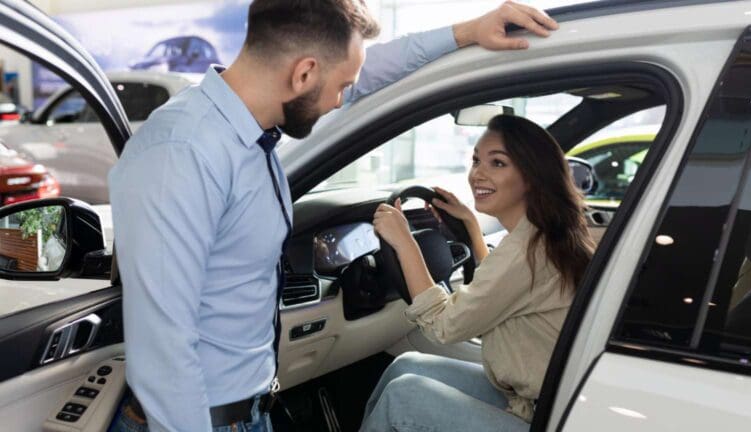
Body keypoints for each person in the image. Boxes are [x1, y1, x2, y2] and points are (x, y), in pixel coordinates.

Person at [109, 1, 559, 431]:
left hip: (246, 410)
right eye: (343, 87)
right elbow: (163, 350)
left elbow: (366, 71)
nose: (345, 100)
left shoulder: (253, 127)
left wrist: (465, 33)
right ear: (304, 73)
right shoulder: (183, 153)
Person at [366, 114, 595, 431]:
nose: (478, 174)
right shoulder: (542, 236)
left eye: (497, 163)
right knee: (405, 365)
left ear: (532, 175)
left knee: (403, 396)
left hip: (547, 418)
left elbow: (444, 326)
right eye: (476, 161)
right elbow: (502, 292)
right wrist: (472, 227)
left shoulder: (524, 252)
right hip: (539, 404)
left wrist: (404, 242)